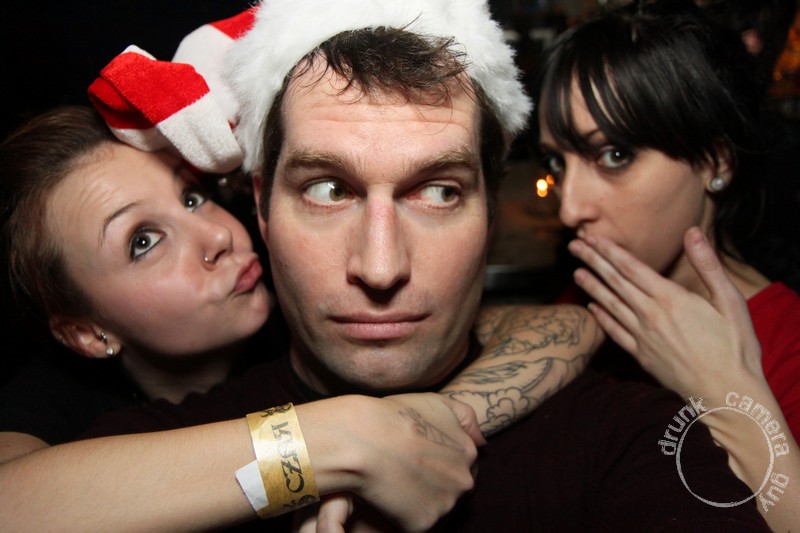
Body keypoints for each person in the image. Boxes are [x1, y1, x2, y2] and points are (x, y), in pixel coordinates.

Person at [70, 0, 770, 530]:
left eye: (438, 192)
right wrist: (319, 450)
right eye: (328, 189)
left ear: (492, 212)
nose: (381, 268)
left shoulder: (632, 441)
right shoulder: (148, 460)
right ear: (261, 205)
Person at [0, 104, 598, 529]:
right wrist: (332, 443)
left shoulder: (301, 306)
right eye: (143, 241)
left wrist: (427, 420)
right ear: (86, 331)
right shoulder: (57, 401)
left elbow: (561, 328)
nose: (216, 235)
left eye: (192, 197)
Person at [531, 1, 800, 529]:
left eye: (614, 156)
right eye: (558, 161)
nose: (570, 208)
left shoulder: (788, 348)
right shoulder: (587, 298)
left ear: (716, 161)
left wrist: (725, 393)